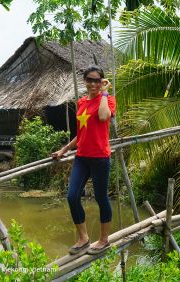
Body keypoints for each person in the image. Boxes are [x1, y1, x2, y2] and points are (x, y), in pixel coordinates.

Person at [52, 65, 116, 255]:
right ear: (85, 81)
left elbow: (104, 117)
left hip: (100, 157)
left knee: (101, 197)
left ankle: (104, 240)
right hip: (82, 157)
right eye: (90, 80)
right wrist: (64, 150)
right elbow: (81, 133)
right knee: (72, 196)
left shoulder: (109, 100)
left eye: (97, 80)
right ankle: (84, 238)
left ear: (102, 82)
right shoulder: (81, 103)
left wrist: (104, 94)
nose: (93, 83)